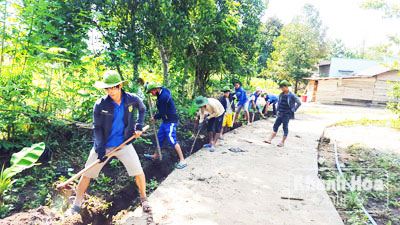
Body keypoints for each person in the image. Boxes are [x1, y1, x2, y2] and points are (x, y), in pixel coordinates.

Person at [66, 70, 150, 215]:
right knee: (86, 174)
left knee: (138, 171)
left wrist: (138, 126)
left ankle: (144, 198)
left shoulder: (131, 99)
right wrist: (99, 149)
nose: (110, 91)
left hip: (124, 144)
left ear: (120, 86)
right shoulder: (100, 104)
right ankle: (76, 205)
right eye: (107, 88)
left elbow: (142, 109)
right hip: (104, 145)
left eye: (113, 87)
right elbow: (97, 127)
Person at [143, 83, 187, 169]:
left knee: (171, 138)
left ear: (156, 89)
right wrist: (148, 85)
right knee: (160, 137)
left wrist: (155, 117)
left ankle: (182, 160)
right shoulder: (163, 90)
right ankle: (156, 155)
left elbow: (162, 112)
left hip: (171, 121)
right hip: (165, 121)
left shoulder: (163, 97)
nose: (151, 94)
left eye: (151, 92)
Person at [264, 80, 301, 147]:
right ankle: (269, 140)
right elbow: (279, 102)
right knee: (275, 126)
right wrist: (277, 110)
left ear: (286, 87)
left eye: (282, 87)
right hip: (280, 113)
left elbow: (299, 103)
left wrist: (294, 109)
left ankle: (282, 142)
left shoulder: (292, 95)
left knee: (285, 127)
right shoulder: (281, 94)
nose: (281, 89)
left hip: (287, 114)